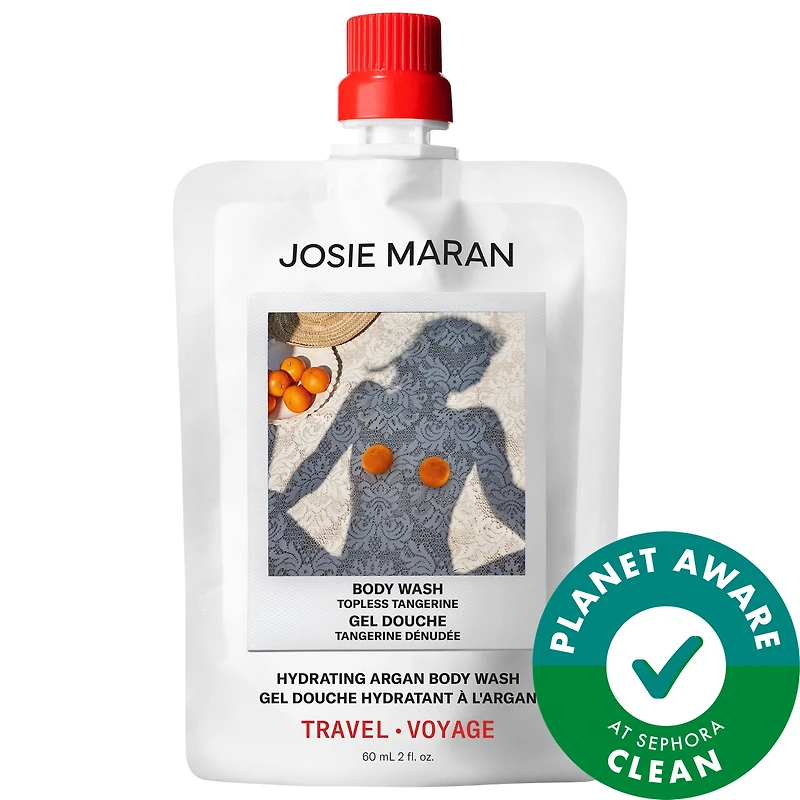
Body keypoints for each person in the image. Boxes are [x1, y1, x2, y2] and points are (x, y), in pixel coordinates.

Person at [269, 316, 525, 576]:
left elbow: (320, 461)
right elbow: (504, 499)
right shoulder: (477, 421)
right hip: (401, 566)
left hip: (389, 566)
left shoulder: (368, 396)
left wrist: (283, 501)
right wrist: (283, 501)